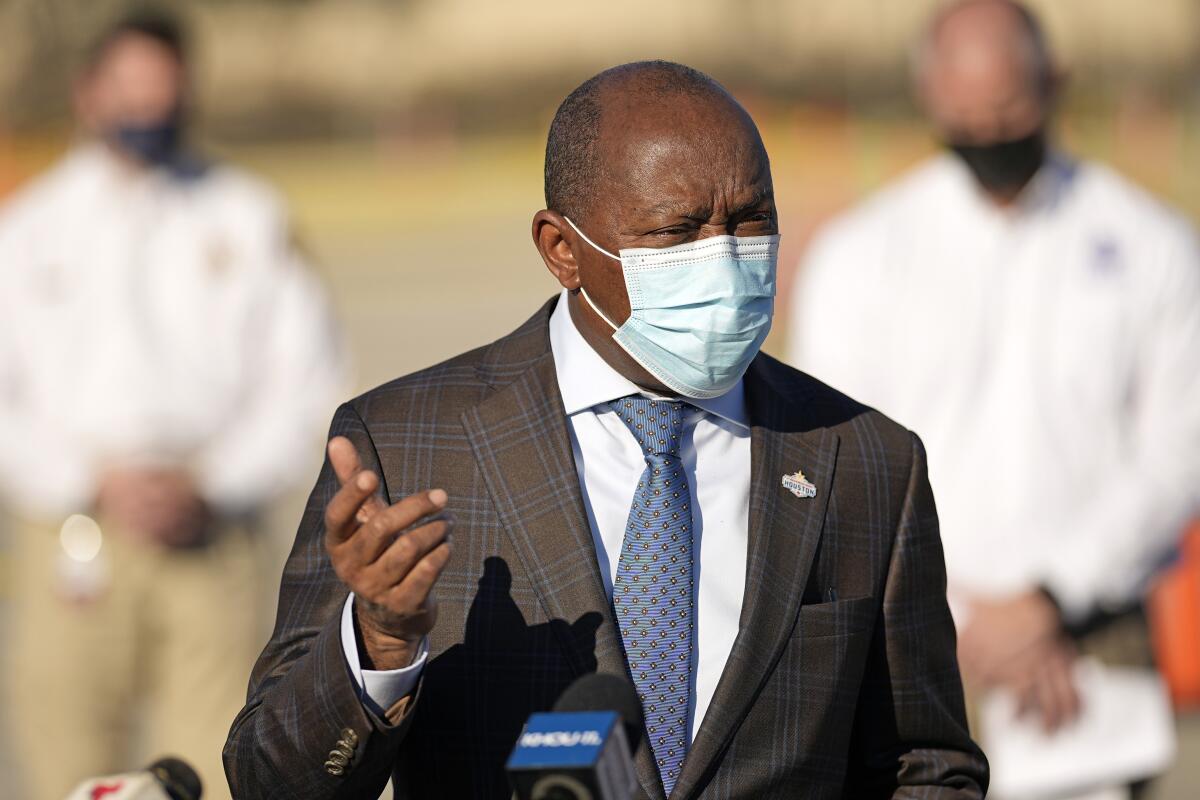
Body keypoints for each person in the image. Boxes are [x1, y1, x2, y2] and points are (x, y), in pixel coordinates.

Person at [224, 60, 987, 799]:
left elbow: (925, 766)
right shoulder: (406, 443)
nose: (722, 257)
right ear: (563, 251)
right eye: (676, 231)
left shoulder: (866, 461)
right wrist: (379, 645)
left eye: (751, 219)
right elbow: (268, 781)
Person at [788, 1, 1200, 798]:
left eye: (1008, 110)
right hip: (908, 648)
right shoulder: (860, 256)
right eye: (967, 116)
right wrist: (966, 623)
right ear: (929, 99)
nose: (990, 134)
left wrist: (1051, 601)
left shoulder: (1155, 245)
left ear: (1055, 84)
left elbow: (1179, 450)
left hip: (1092, 659)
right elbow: (838, 462)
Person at [0, 10, 343, 799]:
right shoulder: (28, 227)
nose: (147, 111)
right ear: (89, 93)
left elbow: (305, 378)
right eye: (129, 91)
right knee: (69, 771)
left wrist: (212, 481)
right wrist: (95, 482)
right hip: (74, 539)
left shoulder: (248, 215)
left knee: (223, 764)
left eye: (164, 93)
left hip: (211, 535)